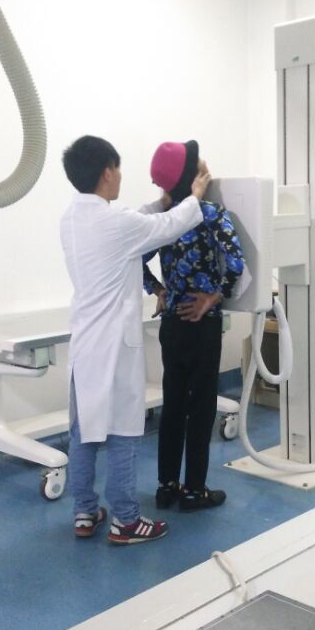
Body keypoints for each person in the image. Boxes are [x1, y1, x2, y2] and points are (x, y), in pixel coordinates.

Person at [60, 135, 209, 542]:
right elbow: (165, 228)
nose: (122, 175)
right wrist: (195, 195)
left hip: (85, 345)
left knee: (83, 433)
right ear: (108, 172)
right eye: (120, 168)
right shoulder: (116, 224)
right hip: (114, 347)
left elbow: (135, 222)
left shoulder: (73, 218)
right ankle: (126, 520)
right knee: (123, 433)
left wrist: (161, 202)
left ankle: (84, 512)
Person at [143, 140, 245, 512]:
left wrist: (159, 290)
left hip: (172, 323)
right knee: (201, 407)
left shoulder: (163, 218)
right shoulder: (210, 213)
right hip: (202, 324)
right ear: (192, 176)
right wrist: (214, 297)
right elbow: (236, 261)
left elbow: (133, 259)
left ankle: (166, 486)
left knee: (173, 404)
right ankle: (194, 490)